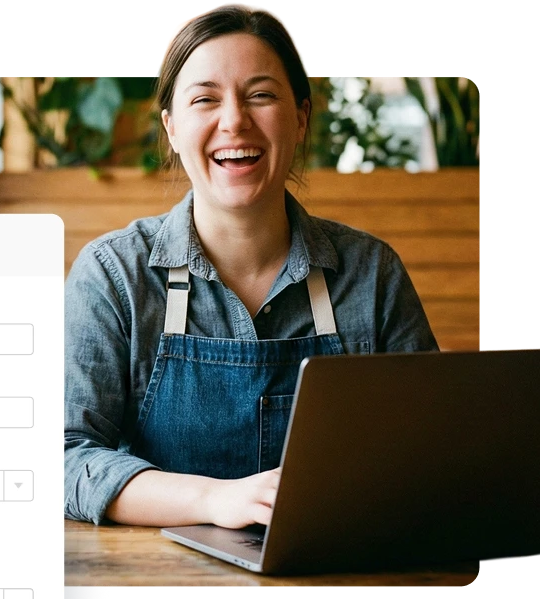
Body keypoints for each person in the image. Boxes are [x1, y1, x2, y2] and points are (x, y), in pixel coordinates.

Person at [64, 4, 438, 530]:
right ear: (171, 128)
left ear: (302, 117)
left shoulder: (371, 273)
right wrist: (215, 501)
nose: (234, 120)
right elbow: (67, 459)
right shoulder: (113, 275)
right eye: (205, 99)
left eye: (260, 95)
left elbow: (429, 451)